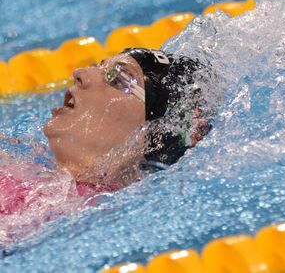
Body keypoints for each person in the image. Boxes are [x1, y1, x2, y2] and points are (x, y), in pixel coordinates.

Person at [1, 48, 212, 220]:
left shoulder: (73, 215)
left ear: (154, 136)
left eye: (119, 79)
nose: (81, 73)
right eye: (98, 67)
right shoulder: (37, 184)